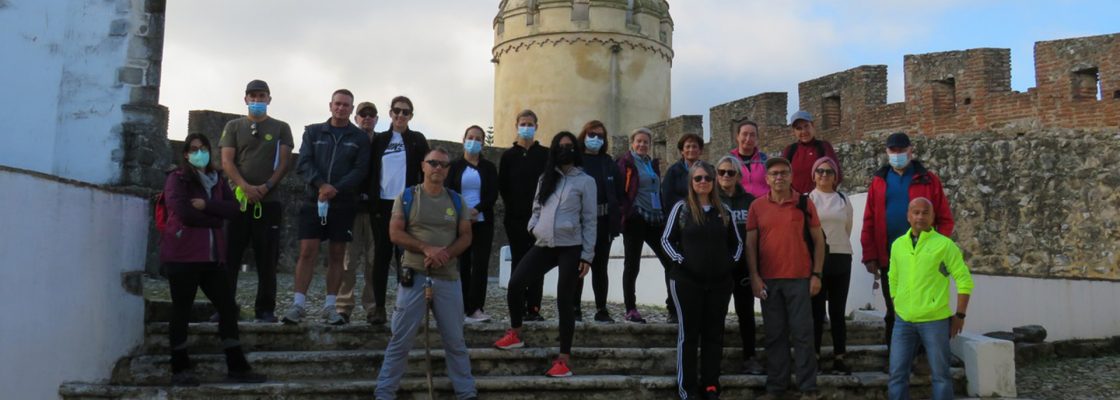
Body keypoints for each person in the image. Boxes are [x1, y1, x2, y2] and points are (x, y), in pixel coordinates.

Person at [160, 134, 266, 386]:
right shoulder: (177, 179)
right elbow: (184, 212)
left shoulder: (218, 180)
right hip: (183, 255)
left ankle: (237, 366)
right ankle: (179, 367)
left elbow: (233, 209)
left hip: (211, 257)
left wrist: (206, 205)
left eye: (203, 148)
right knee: (181, 309)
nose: (199, 153)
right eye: (194, 149)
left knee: (228, 307)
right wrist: (216, 217)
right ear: (186, 154)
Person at [374, 148, 479, 400]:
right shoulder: (407, 197)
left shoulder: (456, 201)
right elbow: (395, 233)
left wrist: (446, 253)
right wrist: (426, 248)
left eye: (443, 165)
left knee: (455, 342)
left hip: (448, 278)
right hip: (415, 276)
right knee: (400, 340)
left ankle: (466, 393)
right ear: (423, 166)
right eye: (433, 163)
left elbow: (466, 236)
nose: (438, 168)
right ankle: (384, 393)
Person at [494, 131, 596, 378]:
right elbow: (537, 208)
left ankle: (563, 360)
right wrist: (534, 227)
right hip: (544, 243)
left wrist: (587, 255)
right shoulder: (545, 178)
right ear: (553, 150)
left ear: (576, 150)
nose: (565, 150)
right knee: (516, 284)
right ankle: (515, 332)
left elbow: (590, 220)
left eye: (570, 146)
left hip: (570, 246)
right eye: (561, 146)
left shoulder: (585, 181)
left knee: (564, 300)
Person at [282, 89, 371, 325]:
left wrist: (335, 189)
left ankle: (331, 306)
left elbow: (360, 170)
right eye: (338, 104)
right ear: (330, 105)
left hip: (342, 203)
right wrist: (321, 185)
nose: (341, 108)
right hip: (314, 199)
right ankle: (298, 304)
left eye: (346, 105)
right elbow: (304, 162)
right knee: (307, 252)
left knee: (337, 254)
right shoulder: (312, 131)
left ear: (352, 110)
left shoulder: (359, 138)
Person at [860, 132, 954, 346]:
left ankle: (921, 357)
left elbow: (945, 219)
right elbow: (869, 220)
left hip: (924, 258)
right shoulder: (879, 181)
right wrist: (870, 255)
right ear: (887, 152)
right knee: (893, 308)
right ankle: (895, 359)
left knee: (924, 308)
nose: (897, 154)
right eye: (893, 150)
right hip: (890, 257)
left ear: (911, 150)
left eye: (902, 150)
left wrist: (937, 249)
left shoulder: (928, 180)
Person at [662, 161, 743, 399]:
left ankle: (710, 384)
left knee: (714, 334)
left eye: (707, 178)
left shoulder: (723, 211)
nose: (703, 182)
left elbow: (737, 243)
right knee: (688, 334)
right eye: (698, 179)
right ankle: (687, 388)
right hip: (687, 282)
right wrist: (682, 261)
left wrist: (729, 264)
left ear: (714, 181)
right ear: (691, 182)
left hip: (719, 283)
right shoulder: (682, 208)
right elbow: (666, 240)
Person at [218, 79, 294, 323]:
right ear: (246, 99)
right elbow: (227, 161)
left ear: (269, 99)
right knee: (229, 258)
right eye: (253, 96)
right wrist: (245, 187)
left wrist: (265, 187)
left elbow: (284, 162)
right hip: (237, 202)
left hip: (268, 203)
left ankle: (265, 308)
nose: (257, 101)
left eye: (262, 96)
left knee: (267, 259)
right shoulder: (233, 126)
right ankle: (225, 306)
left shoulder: (281, 127)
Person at [748, 157, 824, 400]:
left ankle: (808, 389)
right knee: (774, 335)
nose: (779, 177)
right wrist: (754, 277)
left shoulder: (804, 203)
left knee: (803, 334)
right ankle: (776, 388)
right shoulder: (757, 207)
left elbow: (819, 241)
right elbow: (751, 245)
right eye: (774, 174)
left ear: (791, 176)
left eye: (783, 173)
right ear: (767, 179)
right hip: (769, 280)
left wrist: (817, 274)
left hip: (800, 278)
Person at [887, 198, 973, 400]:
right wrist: (896, 303)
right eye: (915, 212)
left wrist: (959, 315)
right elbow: (893, 277)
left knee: (941, 376)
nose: (920, 217)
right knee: (897, 375)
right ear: (908, 216)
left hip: (934, 321)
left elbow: (964, 280)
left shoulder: (944, 245)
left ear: (932, 217)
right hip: (903, 321)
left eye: (925, 212)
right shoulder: (898, 245)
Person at [366, 96, 430, 325]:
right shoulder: (380, 140)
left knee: (406, 258)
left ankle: (404, 305)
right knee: (381, 256)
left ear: (411, 116)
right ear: (390, 113)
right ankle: (379, 307)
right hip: (382, 205)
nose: (400, 116)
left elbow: (427, 170)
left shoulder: (417, 140)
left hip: (407, 204)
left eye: (405, 112)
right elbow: (370, 170)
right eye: (396, 111)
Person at [616, 128, 676, 324]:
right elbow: (621, 191)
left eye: (645, 142)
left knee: (669, 261)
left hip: (655, 218)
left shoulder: (651, 164)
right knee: (632, 265)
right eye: (638, 141)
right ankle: (630, 309)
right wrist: (628, 211)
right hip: (636, 218)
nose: (642, 145)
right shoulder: (626, 163)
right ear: (632, 143)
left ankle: (672, 308)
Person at [714, 156, 764, 376]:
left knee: (746, 314)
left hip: (744, 266)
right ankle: (714, 358)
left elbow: (758, 235)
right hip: (719, 267)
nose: (726, 176)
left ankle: (750, 357)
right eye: (722, 172)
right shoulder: (712, 199)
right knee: (717, 314)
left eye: (731, 172)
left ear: (739, 176)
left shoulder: (750, 201)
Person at [498, 109, 550, 321]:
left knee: (538, 263)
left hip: (540, 218)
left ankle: (534, 308)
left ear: (536, 127)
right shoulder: (508, 156)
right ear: (516, 125)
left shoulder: (545, 155)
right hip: (516, 219)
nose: (526, 128)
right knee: (518, 264)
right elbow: (504, 186)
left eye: (530, 124)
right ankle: (517, 307)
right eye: (523, 123)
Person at [446, 125, 499, 324]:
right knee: (463, 264)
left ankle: (476, 307)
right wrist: (463, 212)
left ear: (483, 143)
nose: (474, 141)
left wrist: (477, 210)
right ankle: (461, 307)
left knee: (480, 265)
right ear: (464, 139)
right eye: (471, 137)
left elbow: (492, 193)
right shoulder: (455, 166)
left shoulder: (488, 167)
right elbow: (448, 191)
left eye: (478, 138)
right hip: (460, 222)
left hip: (482, 221)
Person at [807, 157, 854, 375]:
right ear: (814, 175)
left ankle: (840, 356)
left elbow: (848, 227)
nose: (824, 175)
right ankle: (814, 356)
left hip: (841, 257)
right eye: (820, 171)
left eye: (828, 171)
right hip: (817, 260)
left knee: (837, 311)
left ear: (835, 176)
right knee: (816, 312)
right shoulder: (808, 199)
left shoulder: (843, 199)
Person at [573, 120, 623, 323]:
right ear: (584, 135)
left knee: (600, 268)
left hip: (603, 222)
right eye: (592, 134)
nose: (595, 139)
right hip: (579, 222)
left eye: (600, 136)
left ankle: (601, 309)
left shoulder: (608, 163)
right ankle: (574, 308)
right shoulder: (575, 161)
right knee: (578, 266)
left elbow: (618, 191)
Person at [336, 101, 379, 323]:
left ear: (377, 119)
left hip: (375, 210)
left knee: (374, 261)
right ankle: (343, 306)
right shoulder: (348, 140)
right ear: (356, 117)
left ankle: (372, 308)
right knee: (348, 261)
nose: (367, 118)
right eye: (363, 114)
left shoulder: (382, 142)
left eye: (372, 115)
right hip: (351, 207)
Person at [782, 111, 842, 194]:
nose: (803, 131)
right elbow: (782, 176)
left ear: (813, 126)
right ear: (794, 132)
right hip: (796, 202)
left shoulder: (824, 147)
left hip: (820, 201)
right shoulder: (790, 150)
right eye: (799, 128)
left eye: (806, 126)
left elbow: (836, 175)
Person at [729, 120, 770, 198]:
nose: (748, 139)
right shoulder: (729, 162)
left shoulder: (766, 160)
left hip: (764, 204)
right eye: (744, 134)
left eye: (752, 135)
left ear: (757, 138)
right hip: (739, 206)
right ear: (737, 137)